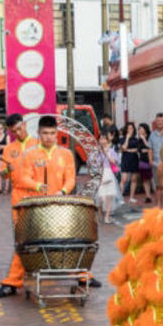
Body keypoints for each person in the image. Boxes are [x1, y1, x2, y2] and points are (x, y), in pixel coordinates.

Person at [19, 115, 102, 289]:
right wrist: (37, 185)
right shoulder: (30, 154)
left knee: (74, 239)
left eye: (52, 133)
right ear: (38, 133)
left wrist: (62, 192)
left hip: (61, 205)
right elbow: (23, 178)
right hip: (37, 206)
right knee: (27, 243)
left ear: (57, 133)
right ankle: (13, 281)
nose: (49, 137)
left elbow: (71, 178)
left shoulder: (66, 154)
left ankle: (83, 275)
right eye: (45, 133)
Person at [0, 113, 39, 298]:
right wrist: (6, 171)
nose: (18, 132)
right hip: (19, 196)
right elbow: (2, 174)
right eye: (14, 131)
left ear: (25, 125)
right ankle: (13, 281)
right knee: (21, 239)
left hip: (37, 194)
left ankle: (81, 275)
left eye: (20, 128)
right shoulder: (9, 149)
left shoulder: (37, 144)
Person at [97, 132, 121, 224]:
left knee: (109, 196)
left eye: (104, 139)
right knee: (101, 198)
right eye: (101, 139)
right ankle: (99, 211)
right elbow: (94, 163)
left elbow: (114, 162)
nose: (102, 141)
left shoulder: (111, 151)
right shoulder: (96, 151)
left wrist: (107, 154)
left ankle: (107, 216)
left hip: (109, 174)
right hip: (100, 174)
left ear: (107, 140)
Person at [120, 122, 139, 203]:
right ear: (126, 129)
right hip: (125, 159)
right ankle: (120, 197)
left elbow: (137, 149)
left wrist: (128, 150)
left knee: (134, 179)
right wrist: (127, 138)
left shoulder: (136, 139)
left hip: (134, 159)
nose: (130, 130)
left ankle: (131, 197)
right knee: (124, 179)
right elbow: (123, 148)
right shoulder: (122, 138)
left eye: (131, 128)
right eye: (128, 128)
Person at [137, 123, 153, 204]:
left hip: (150, 160)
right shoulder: (139, 139)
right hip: (143, 160)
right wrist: (146, 149)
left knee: (152, 178)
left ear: (145, 129)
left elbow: (150, 147)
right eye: (139, 129)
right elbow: (140, 150)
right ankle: (148, 196)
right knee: (145, 179)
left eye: (141, 128)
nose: (140, 130)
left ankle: (154, 194)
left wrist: (144, 139)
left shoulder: (150, 137)